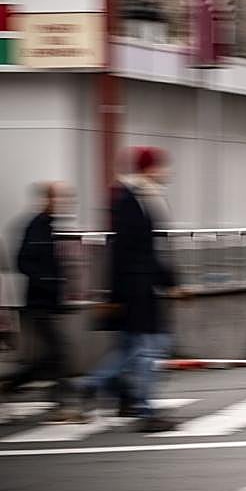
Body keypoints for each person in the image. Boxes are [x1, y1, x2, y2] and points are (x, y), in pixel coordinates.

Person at [79, 147, 182, 432]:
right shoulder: (133, 200)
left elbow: (146, 249)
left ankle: (95, 386)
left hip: (137, 287)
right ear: (148, 169)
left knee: (133, 349)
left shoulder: (141, 198)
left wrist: (168, 281)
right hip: (136, 289)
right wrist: (118, 294)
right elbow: (129, 251)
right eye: (161, 166)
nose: (167, 172)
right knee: (147, 350)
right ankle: (144, 410)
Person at [1, 182, 83, 422]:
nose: (67, 203)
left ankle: (12, 386)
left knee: (51, 356)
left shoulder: (47, 227)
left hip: (46, 301)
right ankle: (63, 405)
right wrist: (47, 281)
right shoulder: (36, 226)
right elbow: (23, 261)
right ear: (48, 199)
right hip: (38, 302)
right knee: (59, 352)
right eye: (62, 198)